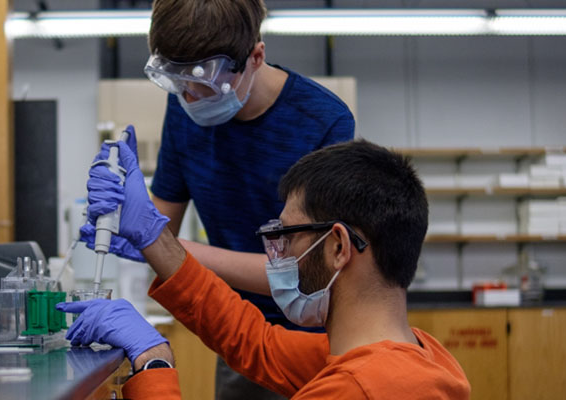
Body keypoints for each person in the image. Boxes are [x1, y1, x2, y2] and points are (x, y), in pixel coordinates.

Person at [59, 138, 471, 399]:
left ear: (339, 247)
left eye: (288, 236)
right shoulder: (416, 356)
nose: (280, 253)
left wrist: (154, 362)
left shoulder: (357, 389)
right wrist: (152, 237)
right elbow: (255, 342)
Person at [143, 1, 354, 397]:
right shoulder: (184, 109)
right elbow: (158, 228)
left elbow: (309, 273)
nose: (190, 98)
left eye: (206, 83)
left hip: (317, 340)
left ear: (256, 57)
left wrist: (164, 245)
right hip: (237, 335)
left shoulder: (323, 121)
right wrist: (124, 207)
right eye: (178, 82)